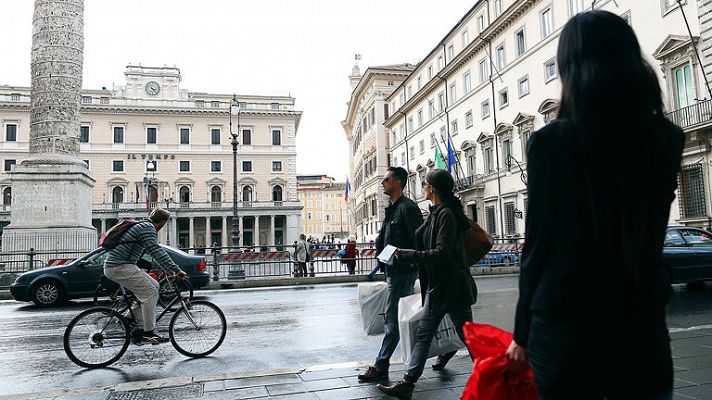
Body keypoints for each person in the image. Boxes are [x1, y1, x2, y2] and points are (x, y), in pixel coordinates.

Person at [505, 11, 684, 400]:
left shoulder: (551, 144)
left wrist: (522, 334)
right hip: (641, 326)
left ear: (571, 68)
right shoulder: (666, 140)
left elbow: (538, 247)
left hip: (567, 330)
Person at [376, 169, 477, 400]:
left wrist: (408, 254)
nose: (422, 187)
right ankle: (408, 383)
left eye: (424, 184)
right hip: (438, 287)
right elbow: (419, 234)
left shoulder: (447, 215)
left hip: (451, 287)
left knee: (469, 336)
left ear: (432, 188)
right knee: (423, 334)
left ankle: (492, 377)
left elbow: (441, 253)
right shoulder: (437, 213)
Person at [358, 166, 423, 382]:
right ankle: (441, 350)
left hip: (403, 271)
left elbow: (418, 242)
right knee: (404, 317)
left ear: (397, 182)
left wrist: (410, 261)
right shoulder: (392, 209)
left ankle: (381, 364)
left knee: (393, 320)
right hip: (393, 271)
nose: (382, 183)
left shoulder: (408, 208)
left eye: (386, 179)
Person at [103, 208, 187, 345]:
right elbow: (156, 251)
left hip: (123, 265)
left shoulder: (142, 226)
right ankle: (148, 333)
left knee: (155, 285)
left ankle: (127, 319)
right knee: (151, 292)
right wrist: (176, 270)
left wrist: (168, 269)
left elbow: (151, 251)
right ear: (162, 222)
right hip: (119, 266)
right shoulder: (148, 228)